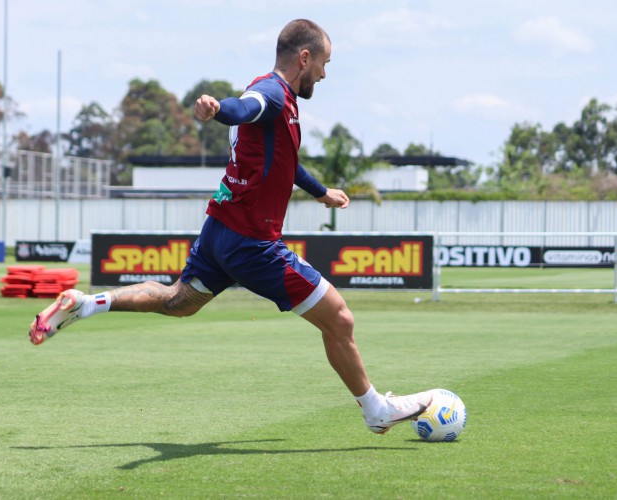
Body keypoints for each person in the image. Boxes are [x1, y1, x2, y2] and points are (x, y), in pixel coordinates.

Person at [29, 19, 432, 435]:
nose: (324, 75)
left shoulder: (282, 101)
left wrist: (320, 191)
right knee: (340, 320)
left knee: (177, 300)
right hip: (252, 244)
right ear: (304, 58)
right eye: (324, 64)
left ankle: (88, 304)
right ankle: (375, 410)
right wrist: (219, 109)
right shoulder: (273, 93)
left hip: (220, 231)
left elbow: (285, 161)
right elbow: (246, 107)